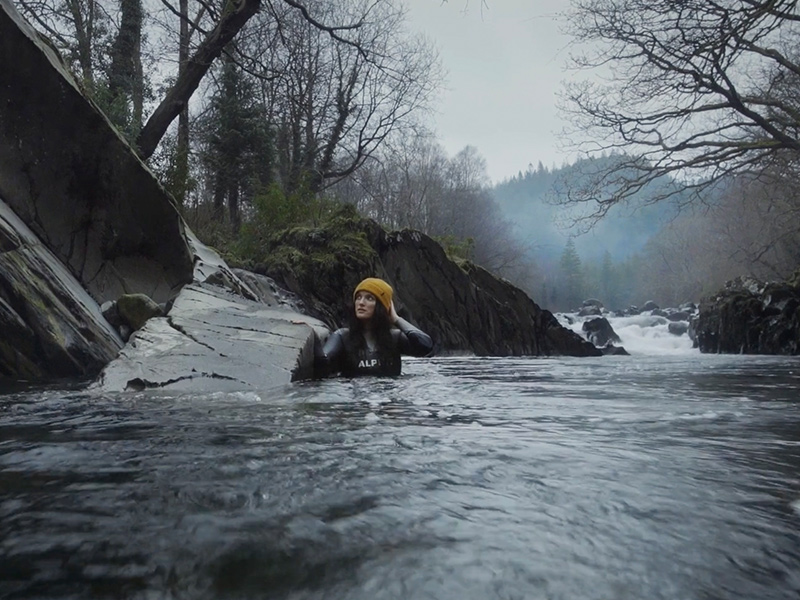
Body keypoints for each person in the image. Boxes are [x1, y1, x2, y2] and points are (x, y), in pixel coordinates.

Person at [315, 277, 433, 377]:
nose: (361, 302)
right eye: (358, 297)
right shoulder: (342, 337)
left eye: (369, 298)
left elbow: (426, 346)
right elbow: (323, 361)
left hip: (388, 400)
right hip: (355, 400)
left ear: (381, 307)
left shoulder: (395, 338)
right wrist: (313, 335)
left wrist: (396, 319)